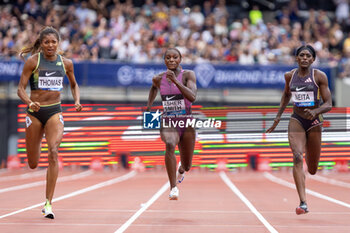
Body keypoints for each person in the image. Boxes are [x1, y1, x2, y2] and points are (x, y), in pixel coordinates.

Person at [17, 26, 82, 219]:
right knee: (33, 163)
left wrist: (77, 100)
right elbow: (20, 89)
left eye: (54, 42)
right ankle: (46, 199)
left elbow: (74, 84)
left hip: (54, 111)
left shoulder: (66, 63)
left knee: (54, 151)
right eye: (47, 42)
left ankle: (48, 203)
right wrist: (30, 102)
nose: (50, 45)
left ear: (58, 43)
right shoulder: (33, 62)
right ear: (42, 44)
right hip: (34, 113)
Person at [266, 44, 332, 215]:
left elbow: (328, 103)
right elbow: (286, 95)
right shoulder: (289, 76)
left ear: (313, 59)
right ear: (296, 58)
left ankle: (309, 167)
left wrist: (316, 111)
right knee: (296, 156)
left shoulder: (319, 76)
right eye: (301, 55)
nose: (304, 58)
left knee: (312, 169)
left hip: (315, 122)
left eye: (308, 56)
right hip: (297, 119)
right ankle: (303, 202)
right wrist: (278, 117)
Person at [146, 48, 197, 200]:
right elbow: (153, 89)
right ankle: (173, 187)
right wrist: (149, 108)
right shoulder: (158, 78)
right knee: (169, 144)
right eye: (168, 58)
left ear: (180, 59)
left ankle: (181, 170)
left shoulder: (188, 75)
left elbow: (192, 97)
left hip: (186, 122)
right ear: (164, 61)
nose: (171, 60)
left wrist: (175, 81)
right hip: (168, 121)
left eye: (175, 57)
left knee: (187, 165)